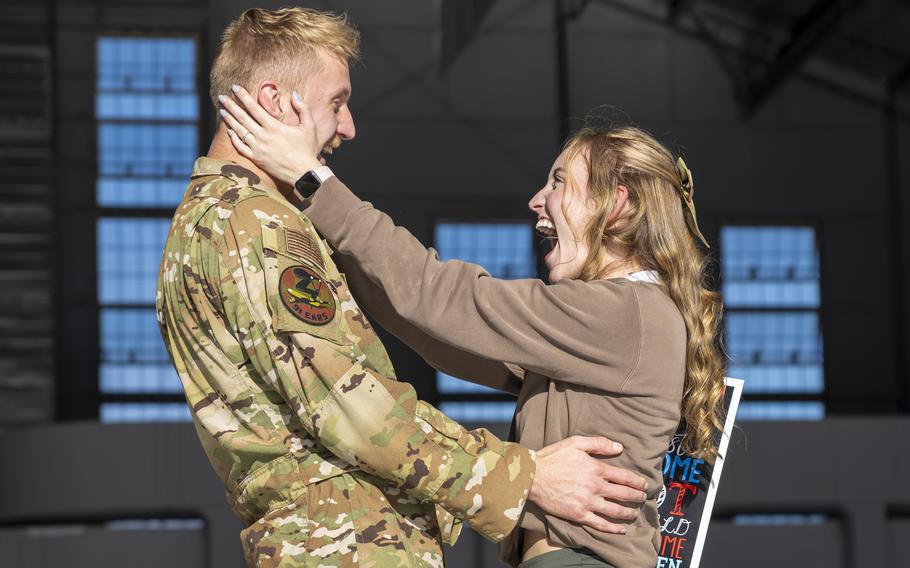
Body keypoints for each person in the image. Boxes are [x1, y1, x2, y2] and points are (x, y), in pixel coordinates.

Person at [156, 8, 650, 568]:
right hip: (345, 546)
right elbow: (348, 405)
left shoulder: (216, 222)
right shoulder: (253, 224)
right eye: (336, 102)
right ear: (273, 100)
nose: (348, 127)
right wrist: (522, 476)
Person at [216, 83, 727, 568]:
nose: (536, 200)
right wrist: (333, 249)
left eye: (558, 182)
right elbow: (441, 330)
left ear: (616, 205)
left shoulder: (625, 312)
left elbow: (444, 298)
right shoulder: (607, 326)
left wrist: (313, 182)